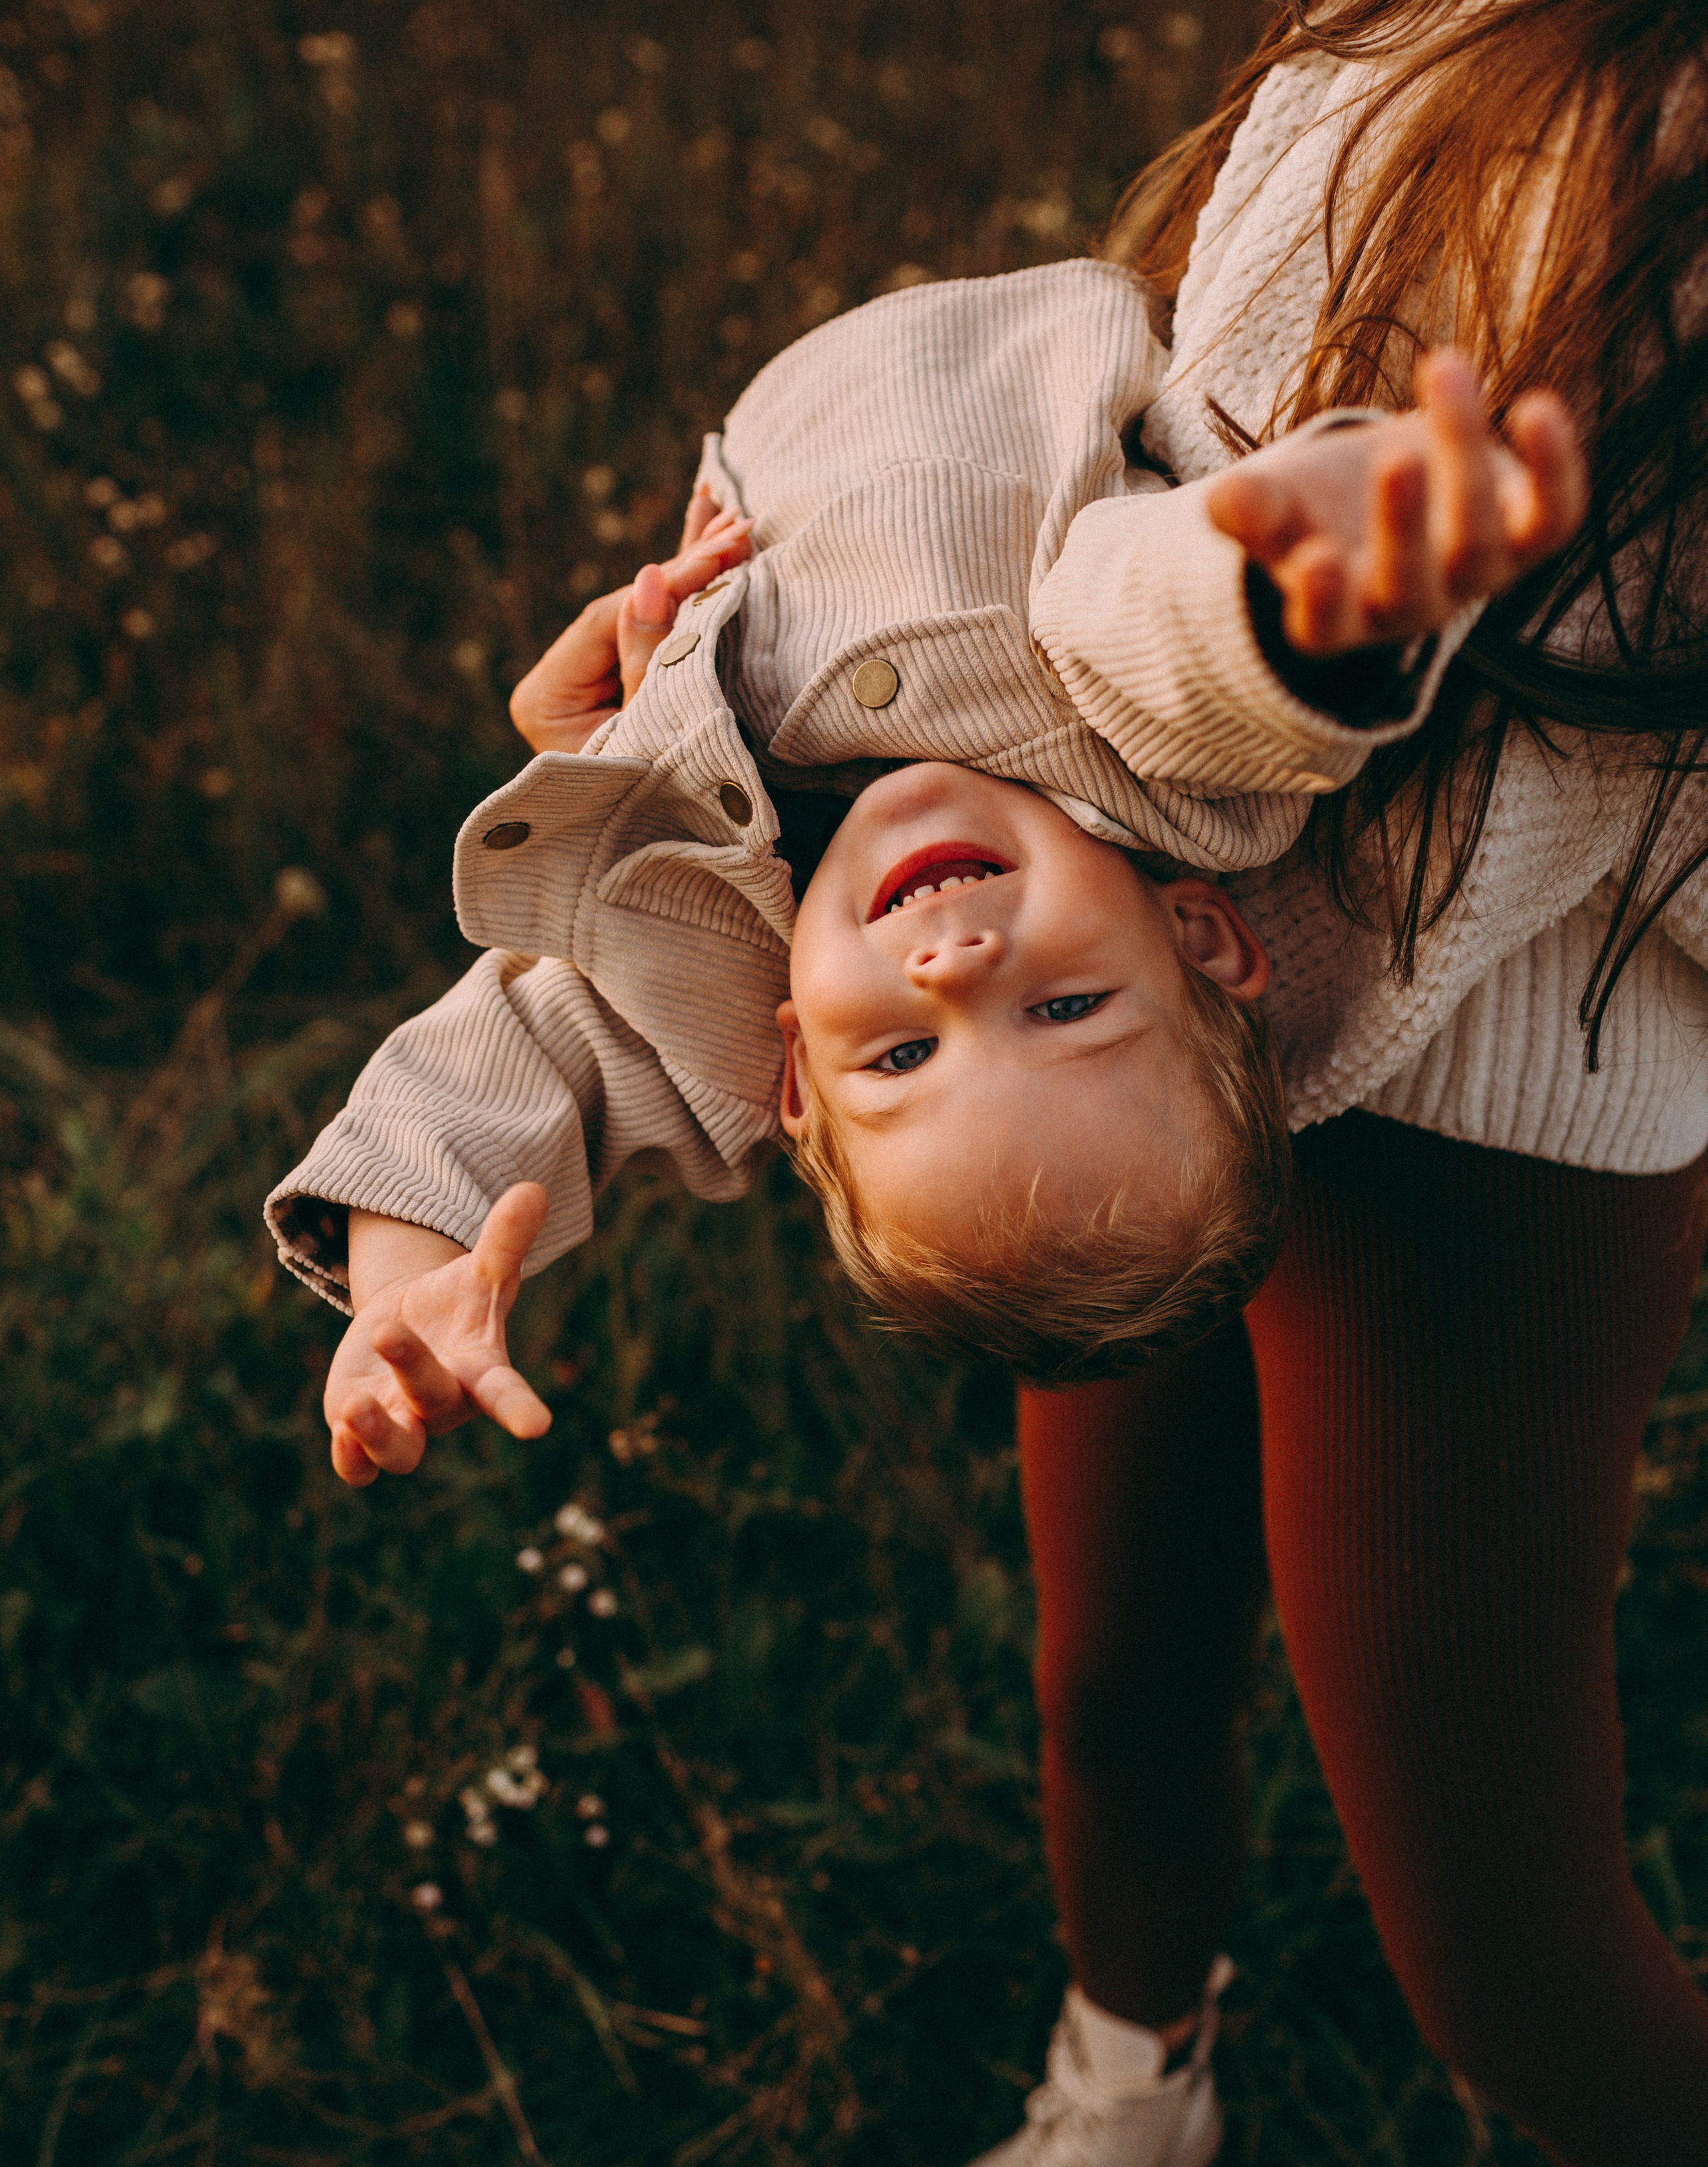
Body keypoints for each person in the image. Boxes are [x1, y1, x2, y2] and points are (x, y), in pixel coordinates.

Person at [869, 0, 1708, 2167]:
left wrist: (1401, 725)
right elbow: (1135, 445)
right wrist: (713, 694)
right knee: (1110, 1668)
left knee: (1506, 1938)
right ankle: (1141, 2072)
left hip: (1490, 1138)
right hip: (1119, 1007)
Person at [266, 262, 1578, 1458]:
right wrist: (1314, 599)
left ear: (788, 1070)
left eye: (897, 1058)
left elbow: (478, 1090)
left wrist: (402, 1285)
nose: (953, 968)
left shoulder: (712, 962)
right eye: (1063, 1008)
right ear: (1198, 937)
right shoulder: (1177, 791)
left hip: (806, 407)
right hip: (1045, 340)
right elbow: (1207, 657)